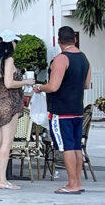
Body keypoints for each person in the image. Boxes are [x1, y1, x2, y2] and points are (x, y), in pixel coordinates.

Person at [34, 26, 91, 195]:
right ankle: (78, 182)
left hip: (61, 110)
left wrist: (39, 88)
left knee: (66, 147)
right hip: (77, 109)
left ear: (59, 41)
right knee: (75, 147)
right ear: (74, 40)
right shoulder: (84, 58)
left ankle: (72, 184)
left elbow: (53, 86)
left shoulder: (61, 59)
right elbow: (86, 85)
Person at [0, 30, 35, 190]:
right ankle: (2, 180)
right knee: (7, 142)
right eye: (15, 42)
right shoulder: (8, 60)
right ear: (11, 43)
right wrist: (27, 81)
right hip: (9, 104)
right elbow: (10, 84)